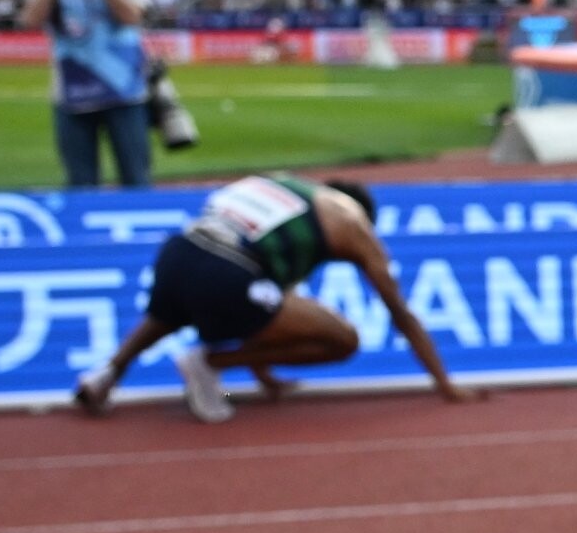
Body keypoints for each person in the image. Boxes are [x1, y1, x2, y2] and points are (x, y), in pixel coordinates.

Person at [69, 172, 480, 423]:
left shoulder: (282, 187)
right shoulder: (352, 221)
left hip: (176, 255)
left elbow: (266, 304)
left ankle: (105, 375)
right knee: (343, 339)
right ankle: (209, 364)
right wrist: (445, 384)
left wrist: (266, 377)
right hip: (228, 274)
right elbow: (399, 313)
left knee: (169, 312)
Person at [18, 0, 154, 188]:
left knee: (136, 179)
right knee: (80, 183)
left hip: (124, 91)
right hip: (71, 93)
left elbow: (131, 16)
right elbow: (31, 20)